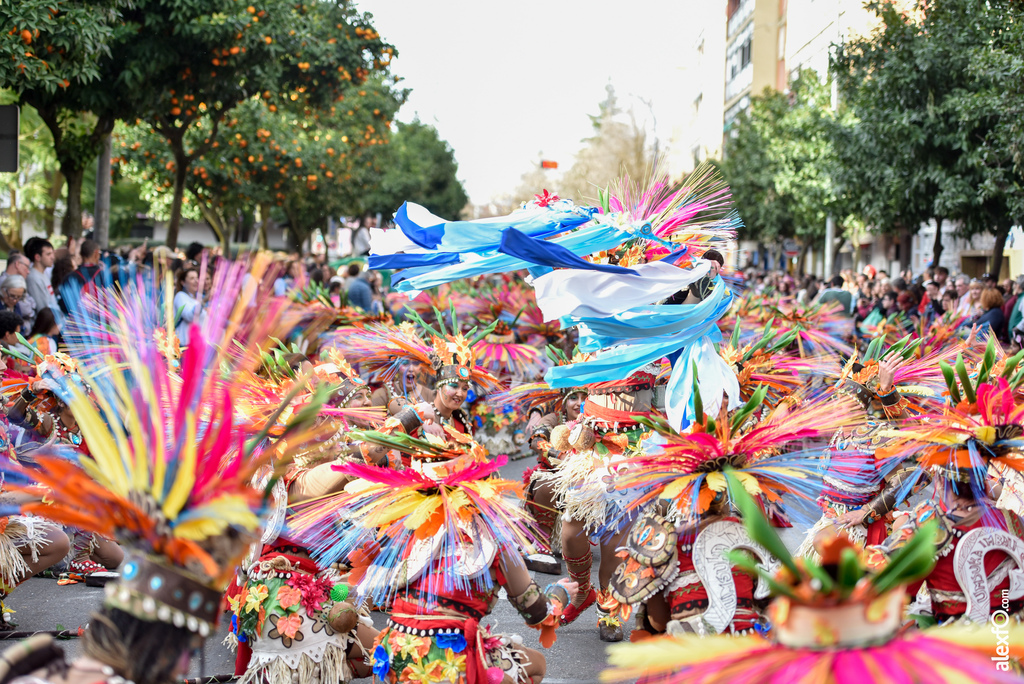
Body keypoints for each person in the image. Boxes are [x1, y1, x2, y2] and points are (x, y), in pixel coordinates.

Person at [24, 239, 61, 330]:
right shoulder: (33, 277)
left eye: (52, 253)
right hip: (45, 328)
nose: (52, 257)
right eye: (48, 254)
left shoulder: (42, 274)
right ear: (37, 257)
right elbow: (42, 308)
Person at [173, 268, 204, 346]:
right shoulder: (180, 296)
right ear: (183, 282)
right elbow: (190, 316)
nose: (196, 281)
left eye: (197, 278)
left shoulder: (198, 298)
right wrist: (204, 301)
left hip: (198, 345)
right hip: (185, 345)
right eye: (192, 278)